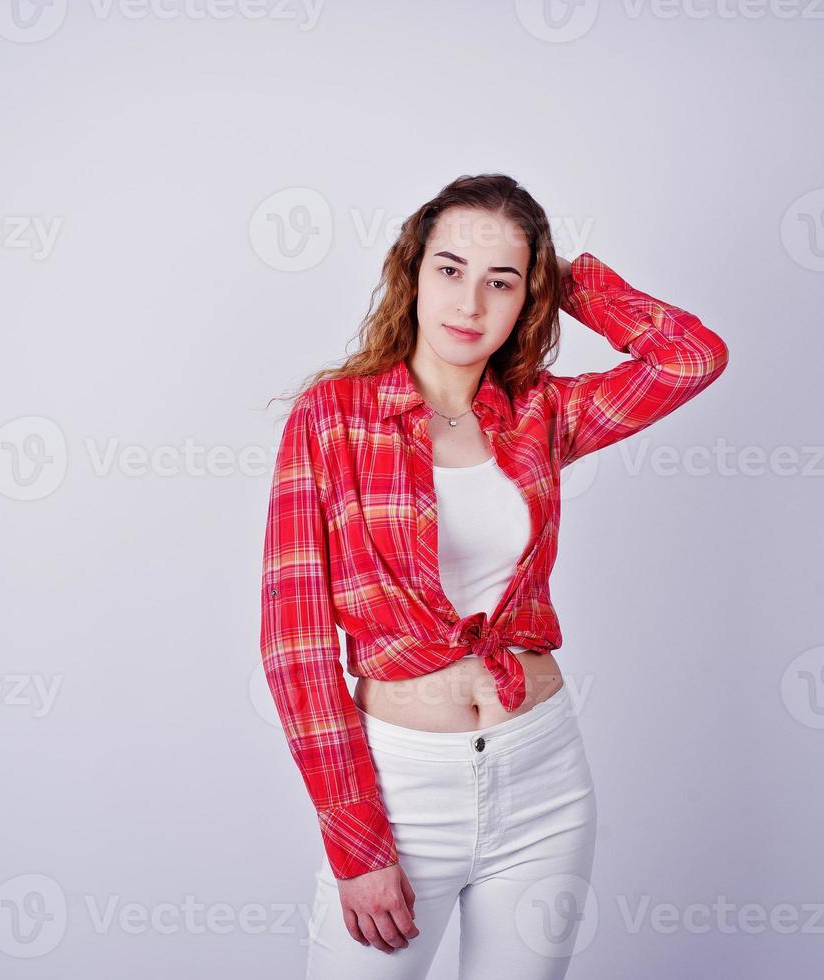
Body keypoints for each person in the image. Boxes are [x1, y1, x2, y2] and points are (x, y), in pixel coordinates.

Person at [259, 173, 728, 979]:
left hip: (542, 779)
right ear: (410, 273)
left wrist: (568, 279)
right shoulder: (332, 419)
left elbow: (690, 358)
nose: (469, 303)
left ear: (525, 301)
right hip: (402, 792)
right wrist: (355, 841)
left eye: (499, 282)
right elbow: (294, 647)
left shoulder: (540, 414)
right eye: (449, 269)